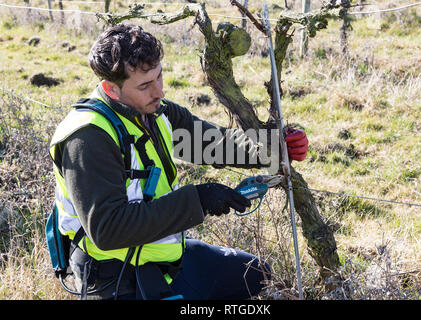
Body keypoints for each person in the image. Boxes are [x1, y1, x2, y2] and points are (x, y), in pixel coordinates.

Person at [49, 23, 309, 300]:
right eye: (145, 85)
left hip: (164, 257)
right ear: (110, 89)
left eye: (159, 77)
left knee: (255, 274)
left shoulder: (155, 112)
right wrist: (198, 199)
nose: (159, 92)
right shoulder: (88, 138)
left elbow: (212, 143)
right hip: (115, 277)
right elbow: (108, 229)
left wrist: (274, 148)